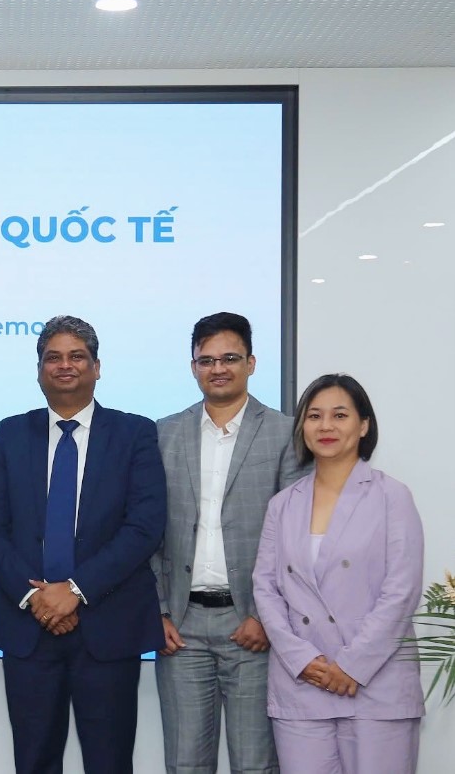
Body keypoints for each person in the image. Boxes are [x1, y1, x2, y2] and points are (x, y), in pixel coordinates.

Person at [0, 315, 166, 774]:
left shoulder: (135, 433)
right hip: (29, 626)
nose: (65, 365)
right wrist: (37, 598)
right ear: (39, 370)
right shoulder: (10, 433)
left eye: (77, 356)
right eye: (53, 357)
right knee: (34, 761)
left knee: (109, 762)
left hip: (108, 624)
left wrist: (76, 590)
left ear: (97, 367)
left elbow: (144, 527)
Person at [153, 312, 304, 773]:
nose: (218, 368)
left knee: (255, 764)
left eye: (230, 358)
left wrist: (264, 616)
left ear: (251, 363)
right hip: (181, 628)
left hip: (252, 628)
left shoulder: (286, 433)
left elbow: (294, 537)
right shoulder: (162, 433)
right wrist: (158, 611)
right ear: (193, 367)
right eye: (207, 360)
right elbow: (147, 531)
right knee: (185, 763)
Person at [252, 374, 424, 774]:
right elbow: (266, 587)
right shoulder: (282, 504)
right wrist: (301, 658)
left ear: (363, 425)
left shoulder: (392, 496)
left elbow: (401, 591)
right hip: (303, 682)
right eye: (314, 416)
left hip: (376, 681)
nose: (325, 426)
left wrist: (353, 665)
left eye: (340, 415)